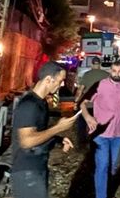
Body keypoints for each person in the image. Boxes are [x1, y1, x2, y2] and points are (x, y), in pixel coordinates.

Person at [11, 61, 77, 198]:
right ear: (48, 79)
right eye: (60, 81)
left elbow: (38, 133)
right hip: (26, 171)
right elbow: (27, 141)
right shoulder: (29, 105)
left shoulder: (41, 103)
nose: (62, 85)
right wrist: (58, 128)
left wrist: (58, 140)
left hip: (37, 167)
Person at [80, 60, 120, 198]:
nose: (117, 74)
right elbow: (82, 102)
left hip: (118, 134)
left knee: (112, 166)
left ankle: (107, 186)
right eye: (114, 71)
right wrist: (88, 117)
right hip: (101, 134)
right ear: (109, 71)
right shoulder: (100, 85)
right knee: (103, 166)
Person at [75, 57, 109, 149]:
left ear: (92, 64)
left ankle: (82, 144)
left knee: (82, 123)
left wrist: (76, 102)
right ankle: (98, 143)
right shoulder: (107, 75)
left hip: (87, 106)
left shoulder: (87, 75)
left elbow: (80, 90)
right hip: (102, 106)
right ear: (100, 64)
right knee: (100, 125)